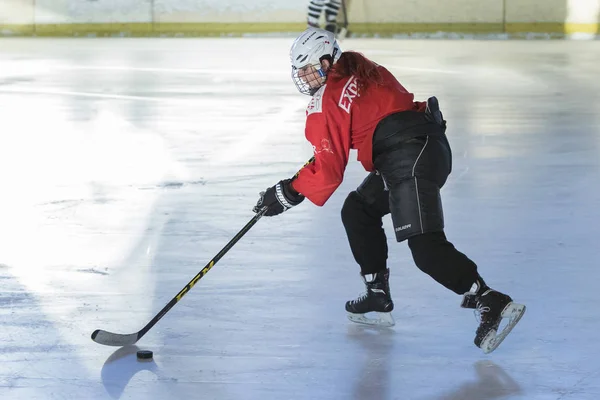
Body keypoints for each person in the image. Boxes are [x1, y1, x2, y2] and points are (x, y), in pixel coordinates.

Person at [253, 27, 526, 353]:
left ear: (327, 62)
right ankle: (377, 295)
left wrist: (285, 193)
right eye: (301, 71)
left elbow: (328, 170)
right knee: (357, 209)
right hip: (424, 146)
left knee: (425, 248)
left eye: (310, 68)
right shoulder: (363, 69)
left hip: (408, 157)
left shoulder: (326, 99)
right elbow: (354, 129)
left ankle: (489, 299)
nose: (305, 77)